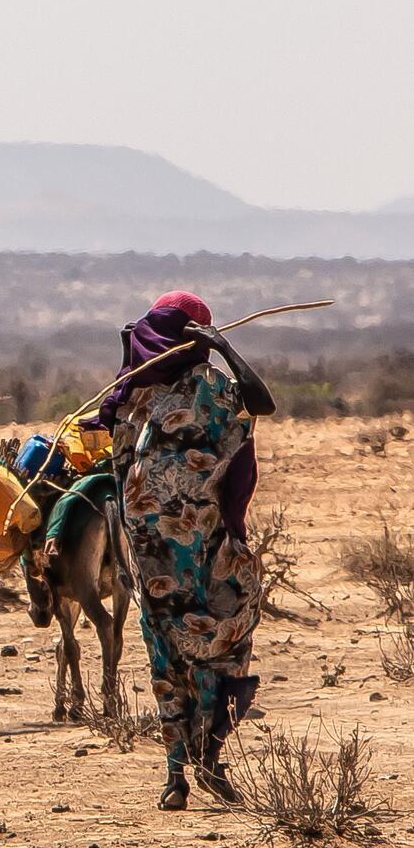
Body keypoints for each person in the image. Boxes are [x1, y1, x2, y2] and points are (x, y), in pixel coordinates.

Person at [98, 290, 276, 809]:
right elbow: (261, 402)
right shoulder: (206, 386)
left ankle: (177, 775)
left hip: (148, 555)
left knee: (167, 653)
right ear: (196, 335)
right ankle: (208, 757)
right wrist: (222, 348)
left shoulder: (128, 394)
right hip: (198, 549)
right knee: (223, 636)